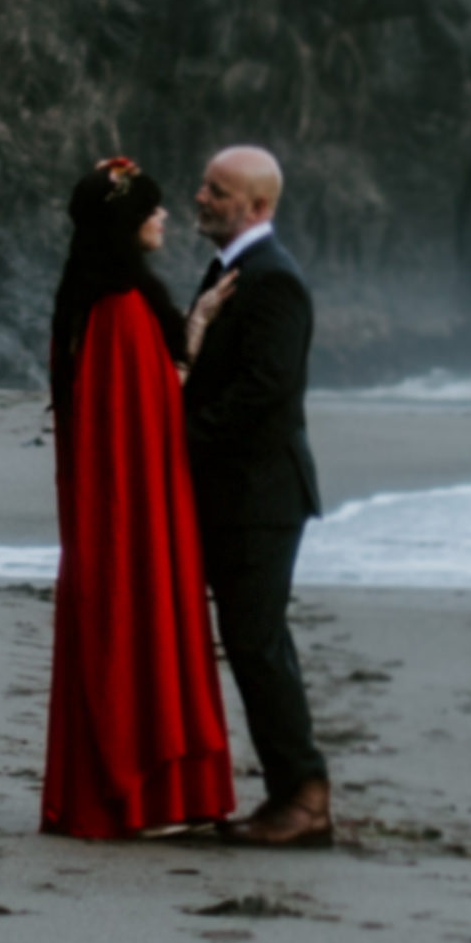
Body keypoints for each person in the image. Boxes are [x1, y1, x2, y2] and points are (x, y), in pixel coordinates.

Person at [37, 154, 237, 839]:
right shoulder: (119, 307)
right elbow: (158, 409)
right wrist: (203, 332)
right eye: (148, 206)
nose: (163, 214)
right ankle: (142, 795)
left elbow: (148, 386)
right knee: (140, 627)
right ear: (121, 220)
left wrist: (198, 318)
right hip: (139, 510)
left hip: (106, 506)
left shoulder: (87, 299)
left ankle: (121, 792)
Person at [183, 142, 334, 848]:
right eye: (205, 186)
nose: (201, 197)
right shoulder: (231, 271)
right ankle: (293, 790)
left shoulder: (273, 279)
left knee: (256, 642)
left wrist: (174, 443)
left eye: (217, 190)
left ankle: (302, 796)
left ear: (258, 206)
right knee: (252, 640)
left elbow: (262, 394)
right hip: (238, 491)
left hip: (262, 494)